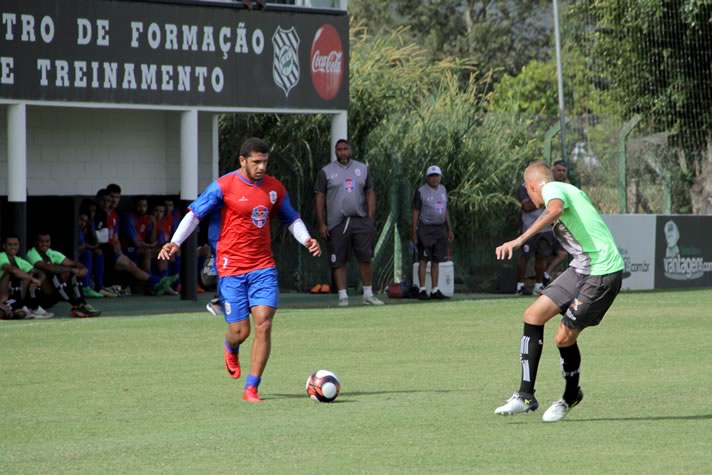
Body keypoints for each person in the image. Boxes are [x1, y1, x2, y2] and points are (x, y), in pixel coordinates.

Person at [159, 137, 321, 403]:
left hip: (263, 266)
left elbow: (291, 217)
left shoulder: (274, 188)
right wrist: (174, 243)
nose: (261, 167)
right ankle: (230, 346)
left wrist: (306, 239)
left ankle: (252, 387)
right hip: (231, 268)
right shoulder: (223, 186)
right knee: (240, 332)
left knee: (264, 323)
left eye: (265, 162)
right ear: (242, 161)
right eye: (256, 162)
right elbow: (194, 214)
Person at [494, 161, 624, 422]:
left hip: (602, 272)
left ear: (532, 187)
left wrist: (519, 239)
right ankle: (525, 395)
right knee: (533, 315)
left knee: (563, 338)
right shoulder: (565, 189)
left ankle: (570, 395)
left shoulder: (553, 189)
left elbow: (554, 209)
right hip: (582, 268)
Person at [314, 139, 384, 307]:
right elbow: (319, 197)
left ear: (350, 150)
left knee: (365, 257)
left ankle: (368, 294)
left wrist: (370, 218)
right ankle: (343, 296)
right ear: (335, 152)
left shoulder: (363, 169)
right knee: (338, 260)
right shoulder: (326, 172)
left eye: (345, 149)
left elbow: (370, 193)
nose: (343, 152)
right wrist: (322, 223)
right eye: (339, 150)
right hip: (337, 222)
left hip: (360, 220)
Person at [26, 232, 101, 318]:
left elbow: (73, 263)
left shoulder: (51, 252)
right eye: (41, 241)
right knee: (54, 273)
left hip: (54, 294)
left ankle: (82, 304)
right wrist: (72, 269)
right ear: (35, 242)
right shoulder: (31, 253)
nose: (45, 244)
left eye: (47, 241)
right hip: (39, 297)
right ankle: (76, 306)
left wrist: (83, 269)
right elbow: (49, 268)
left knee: (72, 273)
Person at [411, 165, 454, 300]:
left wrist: (449, 228)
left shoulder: (443, 190)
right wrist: (413, 230)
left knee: (436, 259)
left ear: (440, 177)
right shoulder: (421, 191)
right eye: (431, 176)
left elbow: (445, 210)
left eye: (436, 176)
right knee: (423, 259)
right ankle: (422, 289)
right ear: (427, 177)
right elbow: (416, 211)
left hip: (440, 228)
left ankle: (435, 289)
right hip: (425, 228)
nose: (434, 179)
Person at [514, 175, 555, 296]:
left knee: (541, 257)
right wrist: (544, 201)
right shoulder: (524, 187)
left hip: (545, 229)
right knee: (525, 257)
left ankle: (538, 286)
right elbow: (527, 206)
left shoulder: (548, 187)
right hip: (528, 229)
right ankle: (519, 286)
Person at [0, 234, 54, 319]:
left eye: (15, 244)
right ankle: (13, 307)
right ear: (4, 246)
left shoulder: (19, 260)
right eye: (10, 245)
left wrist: (38, 281)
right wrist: (32, 278)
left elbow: (40, 272)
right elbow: (13, 270)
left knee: (31, 274)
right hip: (2, 294)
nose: (13, 247)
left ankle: (33, 308)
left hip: (14, 296)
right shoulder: (1, 256)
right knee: (13, 273)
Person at [543, 160, 570, 283]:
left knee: (563, 255)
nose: (561, 173)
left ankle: (546, 274)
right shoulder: (548, 186)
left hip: (561, 227)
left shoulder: (568, 186)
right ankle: (542, 281)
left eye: (563, 171)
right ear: (553, 171)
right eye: (558, 170)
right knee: (544, 256)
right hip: (546, 228)